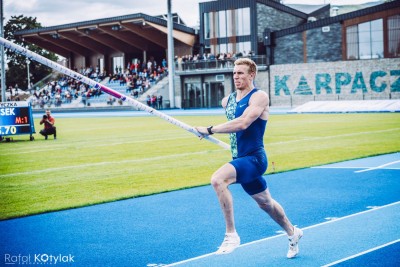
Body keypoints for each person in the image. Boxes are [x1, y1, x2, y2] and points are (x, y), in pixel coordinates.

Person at [195, 58, 302, 258]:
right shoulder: (226, 101)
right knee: (266, 204)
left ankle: (231, 234)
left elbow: (243, 123)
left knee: (218, 180)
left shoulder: (259, 97)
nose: (236, 77)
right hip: (241, 159)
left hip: (255, 159)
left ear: (251, 75)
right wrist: (207, 132)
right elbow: (233, 125)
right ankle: (293, 232)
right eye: (234, 73)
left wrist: (210, 129)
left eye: (241, 73)